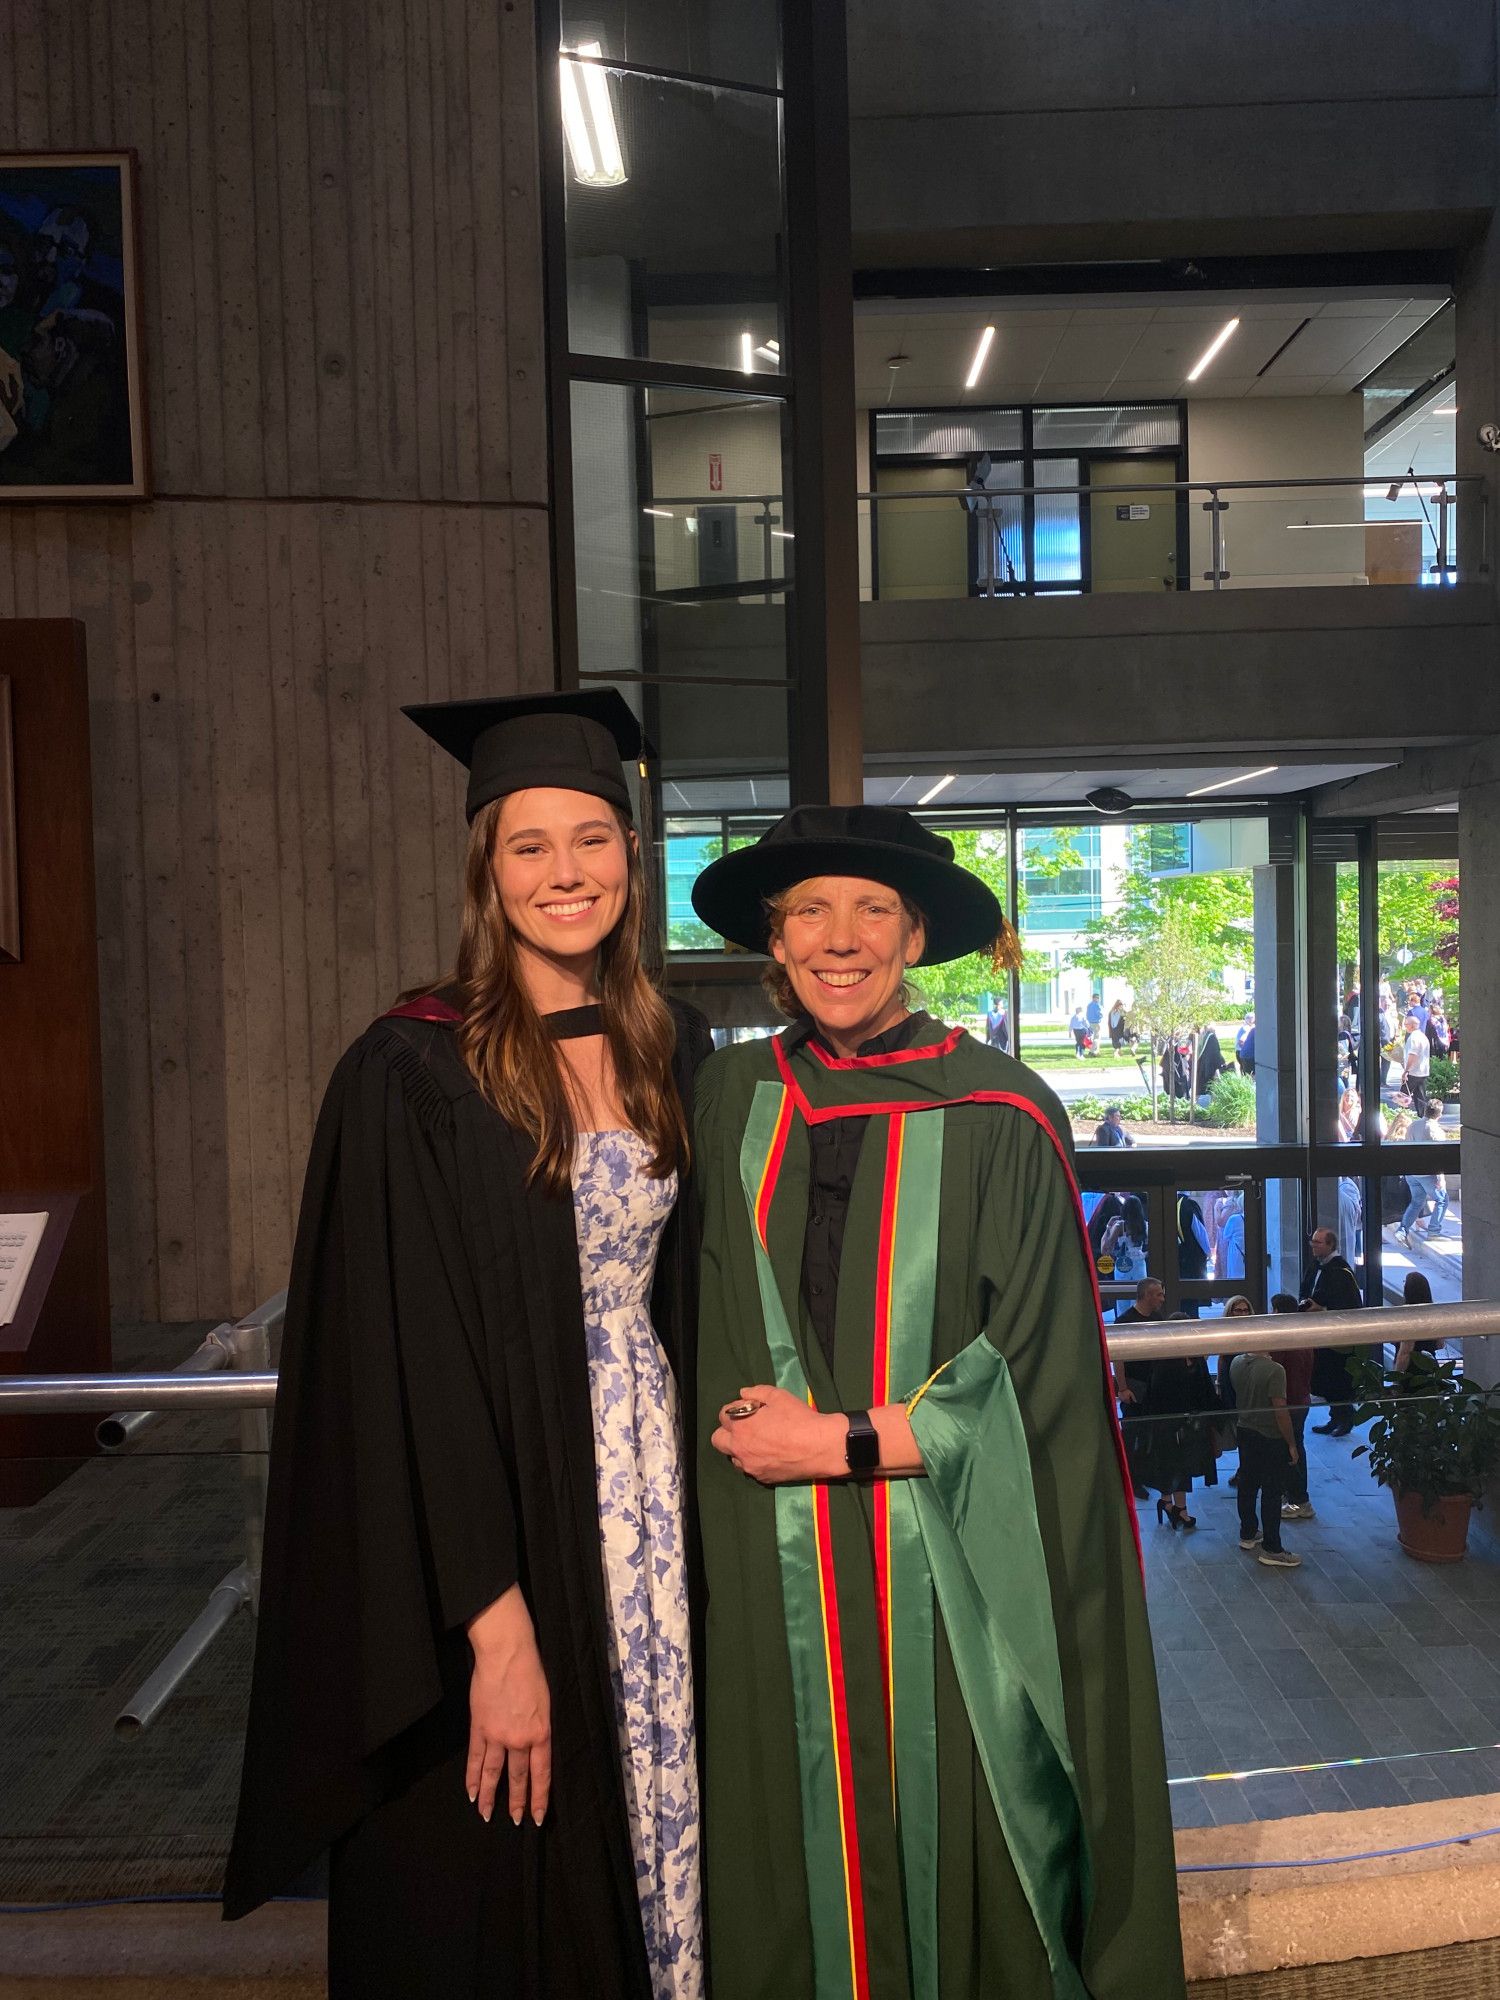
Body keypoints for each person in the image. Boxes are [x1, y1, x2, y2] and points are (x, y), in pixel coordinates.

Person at [224, 692, 711, 1999]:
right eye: (531, 845)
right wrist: (497, 1632)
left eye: (594, 839)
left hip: (649, 1503)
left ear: (630, 857)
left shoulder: (671, 1047)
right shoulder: (413, 1073)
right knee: (503, 1860)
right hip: (496, 1524)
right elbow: (410, 1373)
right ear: (486, 872)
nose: (568, 873)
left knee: (651, 1823)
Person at [688, 805, 1186, 2000]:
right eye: (809, 908)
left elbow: (1045, 1377)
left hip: (943, 1568)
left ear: (915, 934)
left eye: (872, 909)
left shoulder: (1002, 1113)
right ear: (775, 935)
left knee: (955, 1852)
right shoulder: (726, 1096)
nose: (839, 937)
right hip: (770, 1567)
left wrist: (838, 1439)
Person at [1229, 1344, 1302, 1569]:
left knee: (1247, 1483)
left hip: (1245, 1429)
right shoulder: (1274, 1370)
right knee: (1272, 1491)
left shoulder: (1237, 1362)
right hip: (1270, 1436)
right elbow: (1280, 1410)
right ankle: (1272, 1548)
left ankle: (1248, 1532)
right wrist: (1291, 1443)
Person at [1302, 1226, 1363, 1436]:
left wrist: (1324, 1309)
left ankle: (1346, 1418)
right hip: (1318, 1334)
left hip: (1337, 1338)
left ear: (1330, 1245)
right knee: (1324, 1380)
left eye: (1318, 1242)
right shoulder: (1315, 1267)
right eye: (1313, 1242)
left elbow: (1351, 1306)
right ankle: (1333, 1418)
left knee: (1337, 1380)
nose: (1313, 1246)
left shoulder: (1342, 1272)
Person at [1113, 1275, 1165, 1501]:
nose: (1162, 1299)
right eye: (1158, 1294)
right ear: (1146, 1295)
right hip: (1134, 1386)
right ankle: (1129, 1479)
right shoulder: (1124, 1321)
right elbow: (1119, 1359)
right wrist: (1122, 1388)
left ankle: (1142, 1475)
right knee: (1131, 1434)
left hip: (1152, 1385)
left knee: (1147, 1434)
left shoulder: (1156, 1317)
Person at [1270, 1294, 1315, 1519]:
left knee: (1291, 1449)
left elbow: (1275, 1367)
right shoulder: (1303, 1337)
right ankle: (1295, 1496)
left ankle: (1298, 1500)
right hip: (1302, 1400)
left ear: (1278, 1311)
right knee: (1296, 1445)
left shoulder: (1285, 1341)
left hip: (1290, 1402)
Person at [1402, 1009, 1432, 1118]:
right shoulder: (1423, 1036)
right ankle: (1422, 1118)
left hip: (1413, 1072)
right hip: (1423, 1071)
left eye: (1406, 1024)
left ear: (1412, 1025)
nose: (1405, 1026)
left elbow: (1413, 1055)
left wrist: (1406, 1071)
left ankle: (1401, 1118)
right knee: (1420, 1098)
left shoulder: (1413, 1037)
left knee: (1402, 1097)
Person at [1196, 1026, 1228, 1098]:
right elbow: (1216, 1054)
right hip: (1209, 1067)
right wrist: (1222, 1062)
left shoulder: (1202, 1037)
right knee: (1209, 1088)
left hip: (1201, 1065)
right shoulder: (1211, 1037)